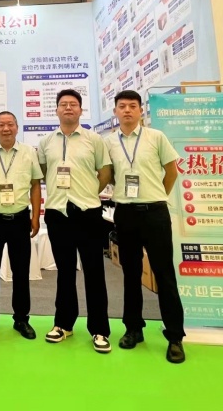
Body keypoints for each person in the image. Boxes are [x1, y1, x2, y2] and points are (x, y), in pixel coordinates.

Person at [104, 89, 185, 363]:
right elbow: (108, 175)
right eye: (122, 106)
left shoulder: (156, 137)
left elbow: (171, 171)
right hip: (126, 213)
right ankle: (133, 329)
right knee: (131, 274)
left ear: (140, 110)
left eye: (132, 106)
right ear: (115, 111)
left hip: (155, 213)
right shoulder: (109, 143)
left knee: (164, 273)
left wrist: (156, 196)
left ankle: (175, 336)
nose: (127, 110)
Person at [38, 89, 113, 354]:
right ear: (57, 110)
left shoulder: (94, 140)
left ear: (80, 110)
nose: (68, 108)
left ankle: (100, 329)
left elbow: (105, 172)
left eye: (73, 104)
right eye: (63, 104)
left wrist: (89, 192)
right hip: (58, 213)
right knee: (65, 272)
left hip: (88, 212)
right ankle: (63, 324)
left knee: (94, 272)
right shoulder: (46, 141)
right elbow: (44, 171)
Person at [0, 111, 43, 339]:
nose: (6, 129)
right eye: (1, 125)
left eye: (10, 124)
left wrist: (35, 216)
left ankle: (21, 319)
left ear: (17, 127)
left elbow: (35, 185)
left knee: (21, 271)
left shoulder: (28, 152)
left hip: (19, 218)